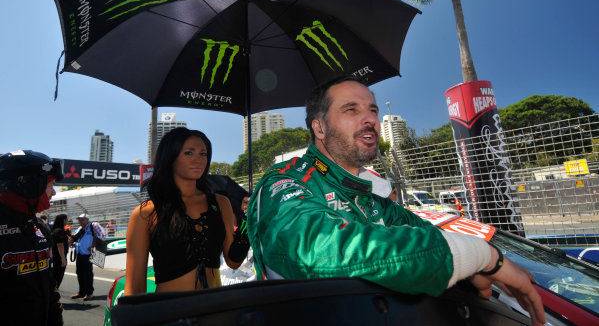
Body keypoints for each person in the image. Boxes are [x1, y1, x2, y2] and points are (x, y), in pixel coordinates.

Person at [247, 76, 546, 326]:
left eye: (373, 110)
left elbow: (430, 236)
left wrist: (476, 271)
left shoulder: (370, 196)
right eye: (351, 110)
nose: (370, 120)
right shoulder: (285, 180)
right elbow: (314, 250)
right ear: (320, 128)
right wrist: (481, 257)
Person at [125, 127, 249, 295]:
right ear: (170, 157)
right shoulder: (146, 213)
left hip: (215, 311)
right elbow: (135, 288)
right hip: (168, 314)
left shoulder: (221, 203)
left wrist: (250, 224)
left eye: (203, 154)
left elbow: (233, 262)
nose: (198, 160)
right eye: (189, 153)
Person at [0, 150, 64, 325]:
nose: (54, 193)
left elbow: (50, 289)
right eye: (50, 186)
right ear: (27, 186)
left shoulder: (41, 228)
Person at [70, 213, 105, 300]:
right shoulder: (79, 229)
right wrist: (74, 244)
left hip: (88, 254)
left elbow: (102, 235)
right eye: (79, 220)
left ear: (87, 220)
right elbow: (76, 239)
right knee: (79, 273)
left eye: (82, 219)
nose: (80, 221)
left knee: (88, 274)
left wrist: (95, 246)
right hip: (79, 254)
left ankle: (89, 293)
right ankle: (81, 292)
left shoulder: (94, 225)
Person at [51, 214, 70, 288]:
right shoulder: (60, 231)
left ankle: (53, 293)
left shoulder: (53, 230)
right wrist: (63, 259)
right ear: (64, 220)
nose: (67, 221)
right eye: (66, 220)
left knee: (54, 276)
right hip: (58, 258)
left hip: (53, 257)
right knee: (58, 277)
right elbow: (60, 245)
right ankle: (54, 294)